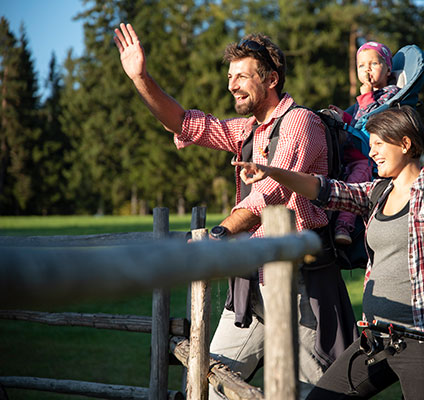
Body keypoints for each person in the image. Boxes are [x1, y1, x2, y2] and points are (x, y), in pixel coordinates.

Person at [113, 23, 357, 399]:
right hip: (251, 284)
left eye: (242, 76)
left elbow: (270, 193)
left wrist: (219, 235)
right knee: (207, 384)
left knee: (313, 394)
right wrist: (141, 77)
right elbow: (184, 123)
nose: (231, 85)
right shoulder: (246, 130)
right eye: (230, 76)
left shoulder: (301, 124)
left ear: (271, 79)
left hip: (301, 285)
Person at [233, 106, 424, 399]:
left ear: (405, 143)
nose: (372, 152)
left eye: (379, 144)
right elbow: (324, 189)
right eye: (371, 144)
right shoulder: (377, 193)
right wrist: (272, 172)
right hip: (376, 338)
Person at [329, 41, 400, 245]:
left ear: (387, 70)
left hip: (367, 156)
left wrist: (366, 95)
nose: (367, 69)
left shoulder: (391, 94)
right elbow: (358, 122)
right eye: (361, 65)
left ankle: (344, 226)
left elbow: (371, 122)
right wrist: (342, 116)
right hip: (351, 152)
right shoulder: (367, 96)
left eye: (374, 64)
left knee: (355, 181)